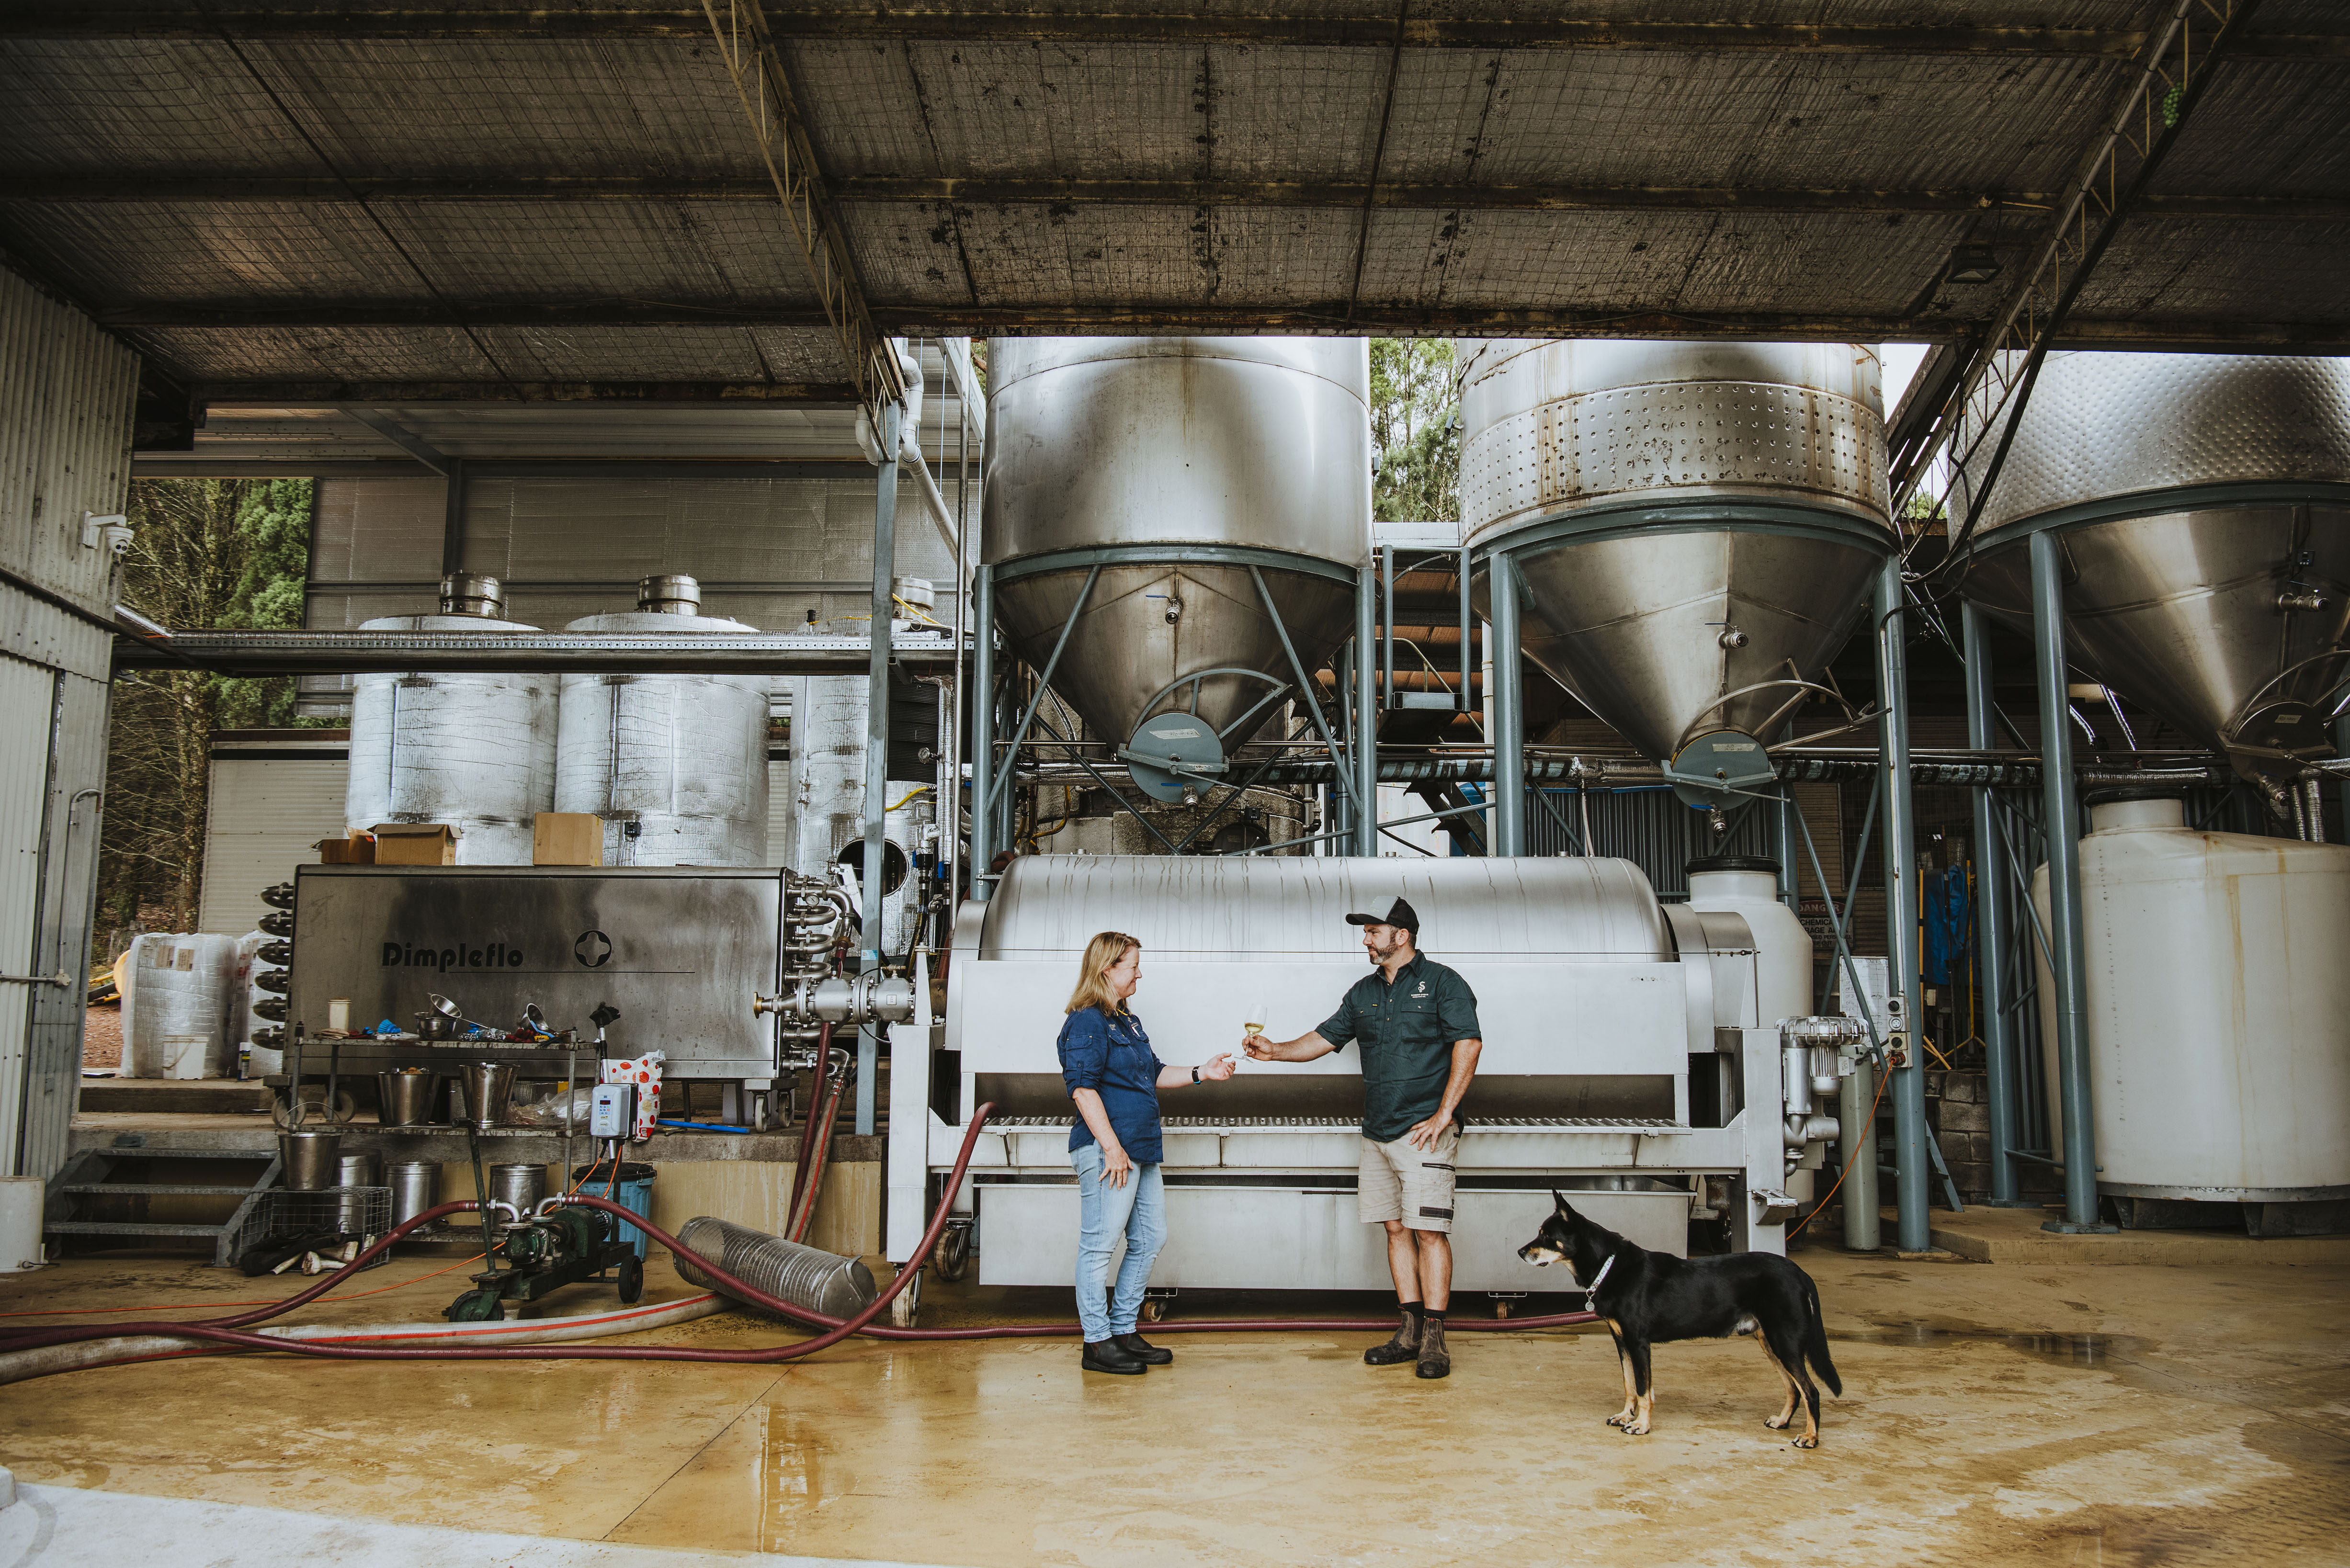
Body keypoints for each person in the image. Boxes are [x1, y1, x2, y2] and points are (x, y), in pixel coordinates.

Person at [1244, 896, 1482, 1379]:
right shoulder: (1363, 992)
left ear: (1401, 934)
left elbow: (1468, 1042)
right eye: (1365, 931)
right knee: (1395, 1229)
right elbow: (1323, 1038)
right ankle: (1408, 1331)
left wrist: (1443, 1113)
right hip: (1376, 1131)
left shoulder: (1443, 983)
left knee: (1429, 1231)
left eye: (1373, 931)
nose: (1365, 940)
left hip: (1422, 1132)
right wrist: (1275, 1051)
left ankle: (1435, 1340)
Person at [1058, 930, 1235, 1375]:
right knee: (1099, 1245)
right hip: (1110, 1152)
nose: (1140, 972)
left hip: (1139, 1148)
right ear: (1107, 969)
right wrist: (1112, 1149)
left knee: (1150, 1237)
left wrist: (1202, 1072)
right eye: (1133, 965)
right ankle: (1096, 1342)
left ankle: (1122, 1329)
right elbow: (1082, 1089)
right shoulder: (1086, 1021)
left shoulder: (1125, 1020)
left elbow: (1153, 1072)